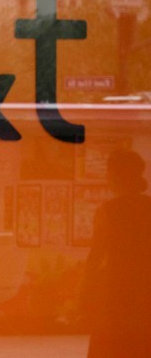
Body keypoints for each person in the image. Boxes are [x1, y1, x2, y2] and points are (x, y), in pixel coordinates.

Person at [80, 148, 151, 357]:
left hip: (115, 296)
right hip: (145, 295)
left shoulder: (108, 210)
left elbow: (95, 257)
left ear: (117, 176)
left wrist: (84, 295)